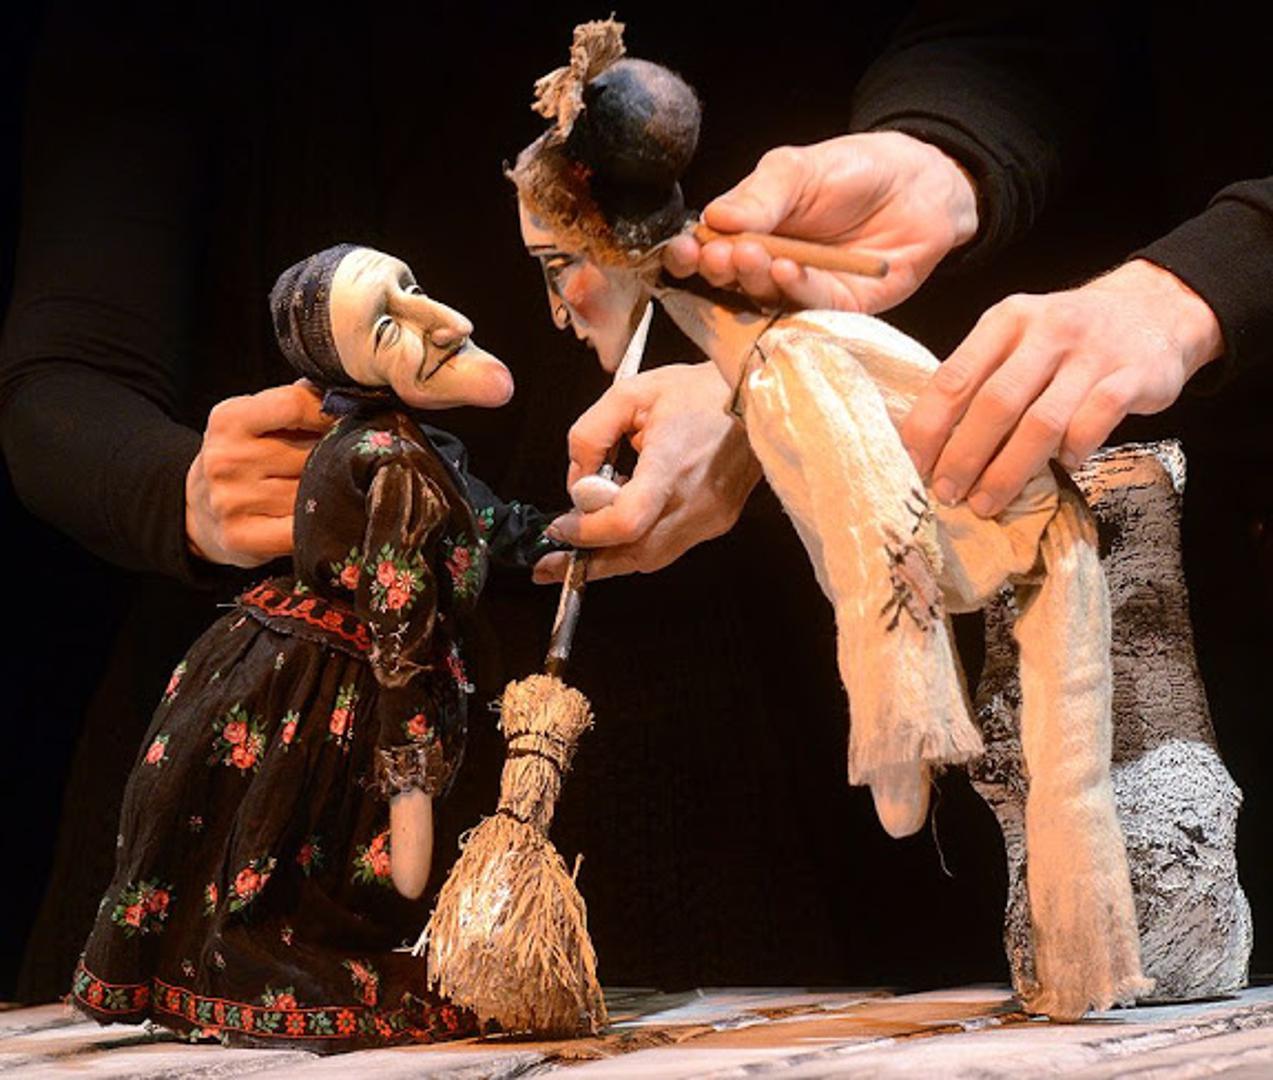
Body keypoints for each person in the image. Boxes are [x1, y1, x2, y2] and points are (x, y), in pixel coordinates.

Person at [511, 23, 1148, 1019]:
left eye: (559, 267)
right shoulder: (760, 359)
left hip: (1012, 526)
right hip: (995, 528)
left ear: (600, 240)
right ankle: (1080, 960)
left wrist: (899, 725)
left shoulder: (790, 362)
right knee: (1067, 789)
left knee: (1066, 775)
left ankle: (915, 749)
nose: (557, 307)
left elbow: (867, 526)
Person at [72, 244, 559, 1050]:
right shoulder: (388, 462)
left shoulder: (412, 448)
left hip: (309, 665)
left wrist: (568, 539)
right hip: (327, 687)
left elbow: (484, 523)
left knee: (303, 850)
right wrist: (408, 772)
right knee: (295, 842)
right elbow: (398, 616)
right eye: (386, 327)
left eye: (411, 287)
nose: (442, 323)